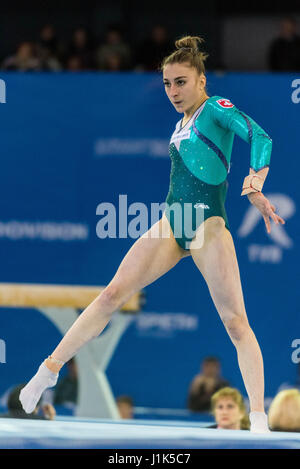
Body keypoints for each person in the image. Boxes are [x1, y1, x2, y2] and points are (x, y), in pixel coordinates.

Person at [19, 35, 285, 433]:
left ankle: (259, 418)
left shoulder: (215, 109)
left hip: (208, 226)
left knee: (235, 322)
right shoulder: (180, 124)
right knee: (110, 294)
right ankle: (49, 370)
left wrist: (254, 183)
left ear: (201, 80)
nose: (173, 91)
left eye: (181, 82)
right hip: (170, 223)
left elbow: (260, 136)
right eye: (167, 84)